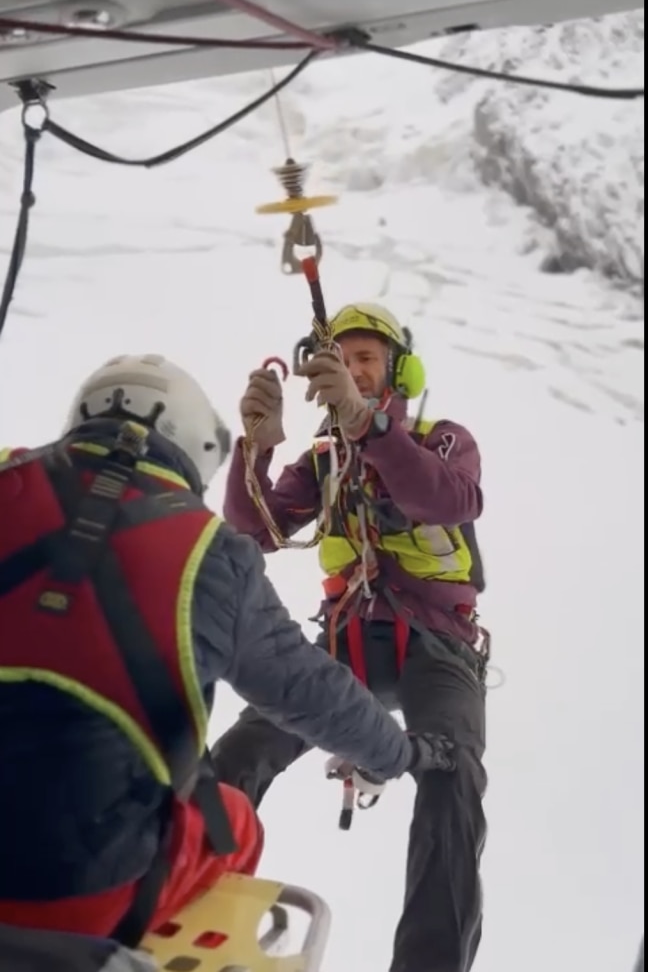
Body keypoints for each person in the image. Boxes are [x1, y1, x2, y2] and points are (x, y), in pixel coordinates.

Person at [0, 352, 451, 950]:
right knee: (230, 819)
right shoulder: (209, 552)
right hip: (76, 896)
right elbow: (310, 692)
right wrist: (400, 754)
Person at [213, 303, 490, 972]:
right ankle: (192, 890)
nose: (353, 369)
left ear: (399, 371)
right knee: (245, 745)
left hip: (439, 644)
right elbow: (252, 531)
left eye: (366, 357)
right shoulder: (323, 459)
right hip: (345, 642)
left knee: (453, 777)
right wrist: (256, 447)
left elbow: (444, 501)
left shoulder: (441, 439)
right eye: (342, 358)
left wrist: (372, 429)